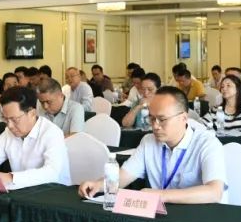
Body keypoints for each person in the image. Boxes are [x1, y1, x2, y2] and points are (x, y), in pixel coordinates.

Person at [79, 86, 225, 204]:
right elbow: (125, 175)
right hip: (162, 216)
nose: (155, 126)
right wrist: (99, 185)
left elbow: (214, 192)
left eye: (162, 119)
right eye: (152, 118)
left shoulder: (207, 144)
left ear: (183, 118)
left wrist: (161, 195)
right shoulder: (149, 141)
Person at [0, 86, 70, 188]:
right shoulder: (9, 133)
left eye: (14, 119)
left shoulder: (52, 133)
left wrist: (11, 177)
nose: (9, 126)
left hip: (53, 194)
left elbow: (52, 172)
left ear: (32, 113)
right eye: (6, 119)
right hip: (23, 193)